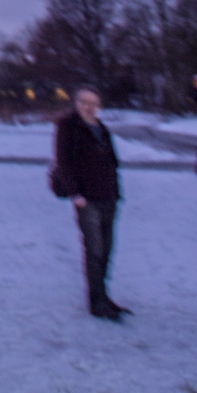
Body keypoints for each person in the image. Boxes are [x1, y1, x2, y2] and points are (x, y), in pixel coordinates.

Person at [54, 85, 128, 321]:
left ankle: (104, 296)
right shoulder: (68, 127)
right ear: (76, 103)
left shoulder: (101, 128)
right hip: (87, 200)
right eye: (84, 102)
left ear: (99, 106)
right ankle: (96, 302)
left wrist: (116, 191)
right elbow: (63, 162)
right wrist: (75, 193)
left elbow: (112, 162)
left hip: (109, 197)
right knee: (94, 250)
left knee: (107, 249)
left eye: (93, 103)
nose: (88, 106)